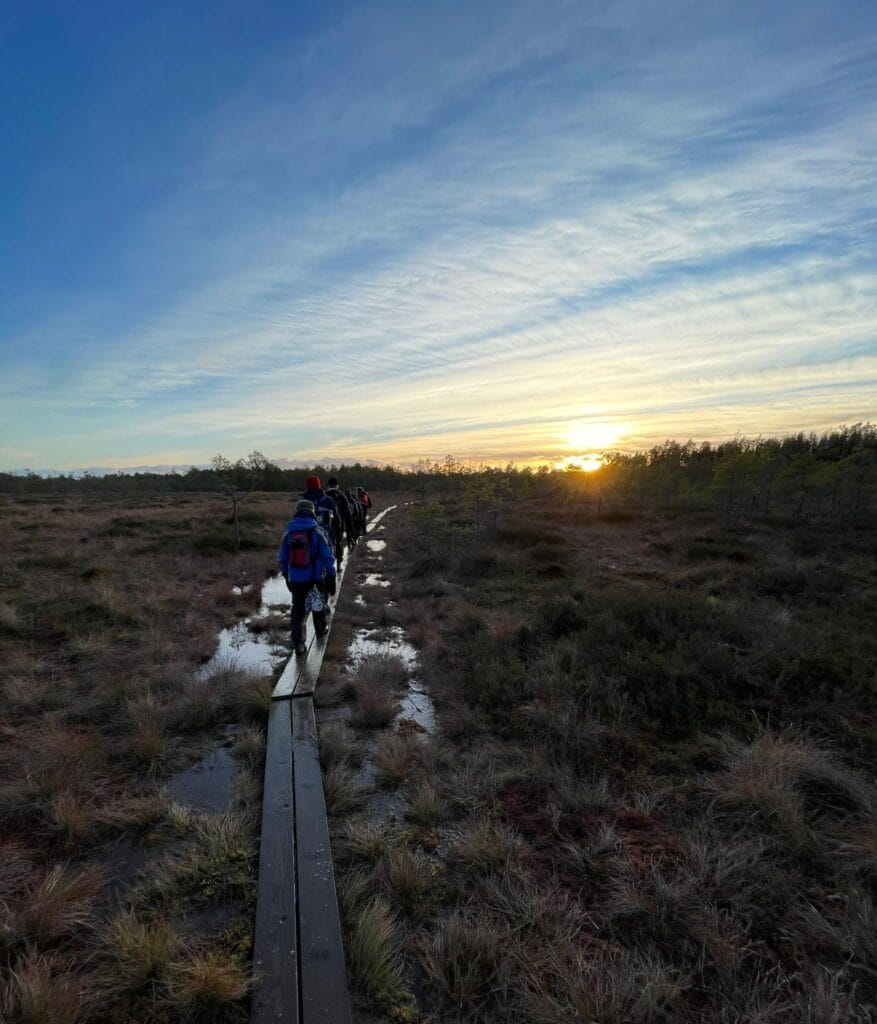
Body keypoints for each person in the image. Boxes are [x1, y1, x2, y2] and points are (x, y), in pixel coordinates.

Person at [278, 499, 337, 656]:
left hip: (295, 578)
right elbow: (327, 556)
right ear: (312, 512)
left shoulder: (289, 533)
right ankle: (320, 630)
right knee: (318, 605)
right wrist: (331, 574)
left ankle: (299, 644)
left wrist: (286, 574)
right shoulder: (317, 531)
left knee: (298, 611)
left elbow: (283, 558)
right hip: (315, 577)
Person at [302, 474, 339, 551]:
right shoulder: (328, 501)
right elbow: (334, 518)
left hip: (307, 541)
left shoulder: (302, 503)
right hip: (326, 538)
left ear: (306, 486)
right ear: (319, 485)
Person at [325, 476, 353, 563]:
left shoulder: (324, 495)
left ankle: (328, 560)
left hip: (326, 524)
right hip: (340, 523)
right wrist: (349, 525)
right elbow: (348, 513)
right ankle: (339, 560)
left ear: (328, 485)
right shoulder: (341, 496)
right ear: (337, 485)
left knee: (326, 542)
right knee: (339, 541)